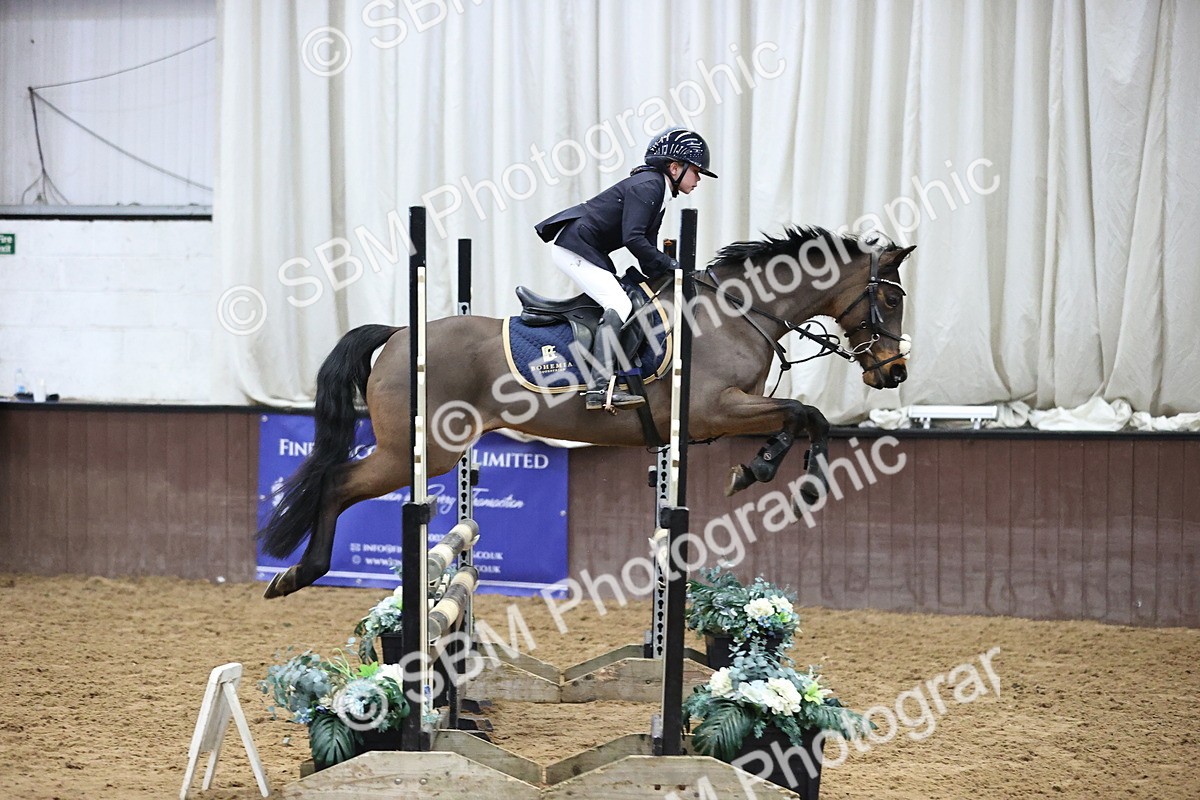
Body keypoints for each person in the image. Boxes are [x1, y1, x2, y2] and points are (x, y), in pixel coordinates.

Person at [535, 127, 717, 411]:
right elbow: (633, 239)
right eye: (696, 171)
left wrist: (664, 272)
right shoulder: (649, 186)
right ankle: (598, 388)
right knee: (619, 304)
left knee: (630, 298)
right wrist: (671, 264)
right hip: (573, 248)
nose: (698, 179)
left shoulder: (659, 190)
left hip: (586, 248)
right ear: (674, 167)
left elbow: (647, 245)